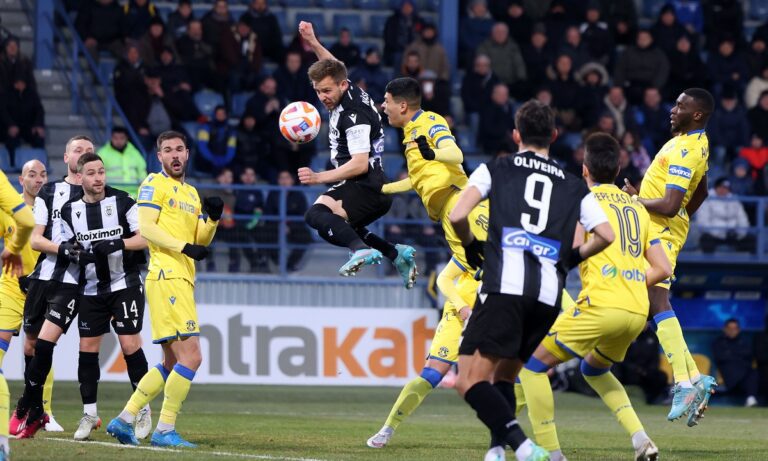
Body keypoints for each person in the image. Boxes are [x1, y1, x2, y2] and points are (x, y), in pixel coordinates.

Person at [447, 100, 614, 461]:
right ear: (554, 135)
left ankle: (523, 447)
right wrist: (571, 258)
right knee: (505, 378)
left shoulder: (496, 168)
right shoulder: (574, 185)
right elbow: (606, 234)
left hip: (504, 288)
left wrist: (471, 245)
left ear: (516, 135)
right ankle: (496, 450)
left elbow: (458, 214)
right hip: (547, 296)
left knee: (468, 380)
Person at [517, 133, 670, 461]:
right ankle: (641, 439)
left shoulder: (583, 201)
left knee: (532, 367)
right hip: (636, 311)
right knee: (594, 370)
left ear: (584, 169)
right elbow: (663, 268)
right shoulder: (637, 208)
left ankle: (552, 455)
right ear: (618, 169)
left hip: (602, 304)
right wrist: (629, 281)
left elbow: (571, 251)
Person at [367, 77, 491, 448]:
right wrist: (383, 188)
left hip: (463, 205)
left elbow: (455, 155)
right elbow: (418, 181)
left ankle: (512, 440)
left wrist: (434, 153)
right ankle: (387, 429)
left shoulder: (430, 122)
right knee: (432, 372)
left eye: (386, 100)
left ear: (402, 104)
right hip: (463, 278)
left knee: (504, 371)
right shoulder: (410, 136)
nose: (383, 106)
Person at [105, 131, 220, 447]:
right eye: (167, 150)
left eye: (179, 149)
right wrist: (184, 247)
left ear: (187, 153)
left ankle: (124, 419)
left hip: (181, 278)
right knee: (192, 357)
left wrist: (212, 219)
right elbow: (148, 229)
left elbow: (200, 240)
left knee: (171, 362)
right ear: (159, 156)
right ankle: (165, 429)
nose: (174, 155)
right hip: (167, 276)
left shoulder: (191, 193)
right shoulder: (153, 184)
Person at [622, 88, 718, 426]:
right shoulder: (692, 142)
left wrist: (635, 200)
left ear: (697, 114)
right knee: (654, 304)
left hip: (660, 231)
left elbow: (670, 204)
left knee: (657, 301)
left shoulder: (687, 150)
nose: (672, 109)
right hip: (661, 229)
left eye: (680, 105)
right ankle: (694, 378)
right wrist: (680, 219)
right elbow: (701, 191)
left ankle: (683, 382)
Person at [294, 22, 416, 285]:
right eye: (317, 91)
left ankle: (361, 251)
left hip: (365, 185)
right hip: (371, 186)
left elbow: (360, 164)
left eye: (327, 91)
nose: (322, 97)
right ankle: (395, 253)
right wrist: (313, 41)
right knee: (337, 227)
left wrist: (318, 177)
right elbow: (334, 66)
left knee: (315, 216)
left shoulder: (353, 116)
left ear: (342, 86)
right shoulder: (349, 90)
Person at [57, 153, 151, 441]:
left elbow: (144, 238)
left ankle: (142, 409)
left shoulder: (123, 201)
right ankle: (89, 414)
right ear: (80, 177)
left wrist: (117, 243)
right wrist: (75, 254)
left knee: (130, 344)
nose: (98, 178)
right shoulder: (69, 211)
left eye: (101, 172)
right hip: (91, 289)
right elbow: (67, 246)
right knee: (87, 350)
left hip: (125, 283)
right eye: (91, 173)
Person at [9, 136, 96, 439]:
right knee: (31, 345)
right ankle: (35, 409)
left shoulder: (104, 198)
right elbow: (35, 240)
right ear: (67, 157)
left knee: (45, 344)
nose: (83, 154)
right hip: (43, 276)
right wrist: (63, 249)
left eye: (89, 151)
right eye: (78, 150)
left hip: (72, 283)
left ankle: (26, 406)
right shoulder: (50, 191)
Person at [0, 161, 42, 457]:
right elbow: (24, 222)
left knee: (38, 349)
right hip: (11, 288)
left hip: (39, 289)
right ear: (21, 179)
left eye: (42, 174)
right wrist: (12, 250)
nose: (37, 179)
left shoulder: (51, 207)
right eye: (32, 174)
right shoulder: (10, 203)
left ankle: (40, 409)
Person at [695, 178, 754, 253]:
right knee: (706, 240)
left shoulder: (734, 199)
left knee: (752, 240)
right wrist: (721, 233)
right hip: (714, 235)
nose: (723, 190)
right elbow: (703, 222)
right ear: (715, 188)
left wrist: (740, 233)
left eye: (726, 188)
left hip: (733, 234)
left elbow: (743, 219)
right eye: (721, 187)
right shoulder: (706, 199)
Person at [712, 318, 759, 407]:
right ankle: (751, 398)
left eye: (735, 328)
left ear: (739, 330)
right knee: (749, 373)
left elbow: (749, 355)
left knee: (752, 373)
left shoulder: (744, 342)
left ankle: (751, 398)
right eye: (730, 328)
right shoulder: (718, 342)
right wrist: (738, 356)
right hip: (729, 377)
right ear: (724, 329)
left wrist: (731, 354)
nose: (732, 331)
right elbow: (720, 357)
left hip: (744, 377)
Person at [97, 126, 148, 198]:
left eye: (121, 138)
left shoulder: (135, 153)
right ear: (111, 138)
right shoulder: (102, 154)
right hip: (111, 195)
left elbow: (142, 172)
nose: (118, 141)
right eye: (115, 138)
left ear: (126, 138)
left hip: (134, 196)